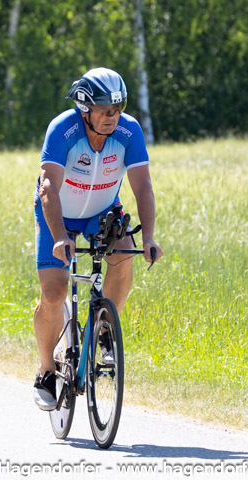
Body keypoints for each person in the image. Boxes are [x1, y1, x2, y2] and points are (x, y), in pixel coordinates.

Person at [32, 67, 163, 410]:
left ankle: (104, 329)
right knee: (54, 293)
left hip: (101, 214)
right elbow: (48, 188)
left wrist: (149, 236)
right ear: (85, 108)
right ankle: (46, 370)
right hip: (57, 213)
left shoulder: (129, 132)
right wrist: (59, 236)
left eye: (118, 109)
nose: (112, 117)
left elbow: (143, 187)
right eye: (105, 110)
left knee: (125, 252)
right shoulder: (63, 129)